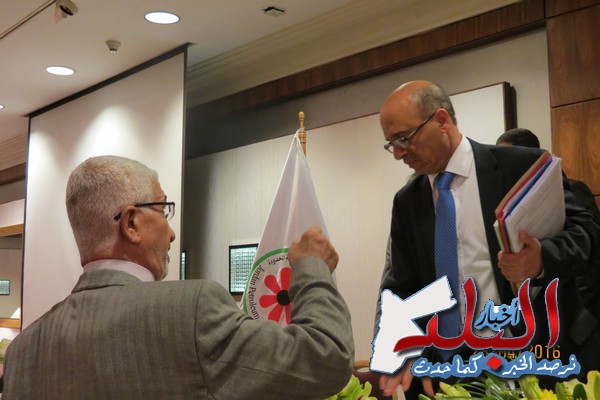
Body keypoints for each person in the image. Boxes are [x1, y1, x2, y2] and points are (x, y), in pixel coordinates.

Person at [1, 155, 354, 400]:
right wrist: (312, 268)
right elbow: (327, 359)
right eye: (162, 208)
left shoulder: (22, 352)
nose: (171, 233)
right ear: (131, 223)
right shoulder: (192, 311)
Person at [375, 81, 600, 399]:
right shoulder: (408, 201)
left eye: (404, 138)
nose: (398, 153)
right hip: (456, 375)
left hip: (540, 361)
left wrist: (541, 259)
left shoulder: (522, 166)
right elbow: (402, 287)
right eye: (391, 144)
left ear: (441, 120)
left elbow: (588, 234)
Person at [497, 127, 600, 374]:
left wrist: (582, 316)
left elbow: (591, 249)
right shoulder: (507, 205)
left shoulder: (572, 190)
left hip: (575, 325)